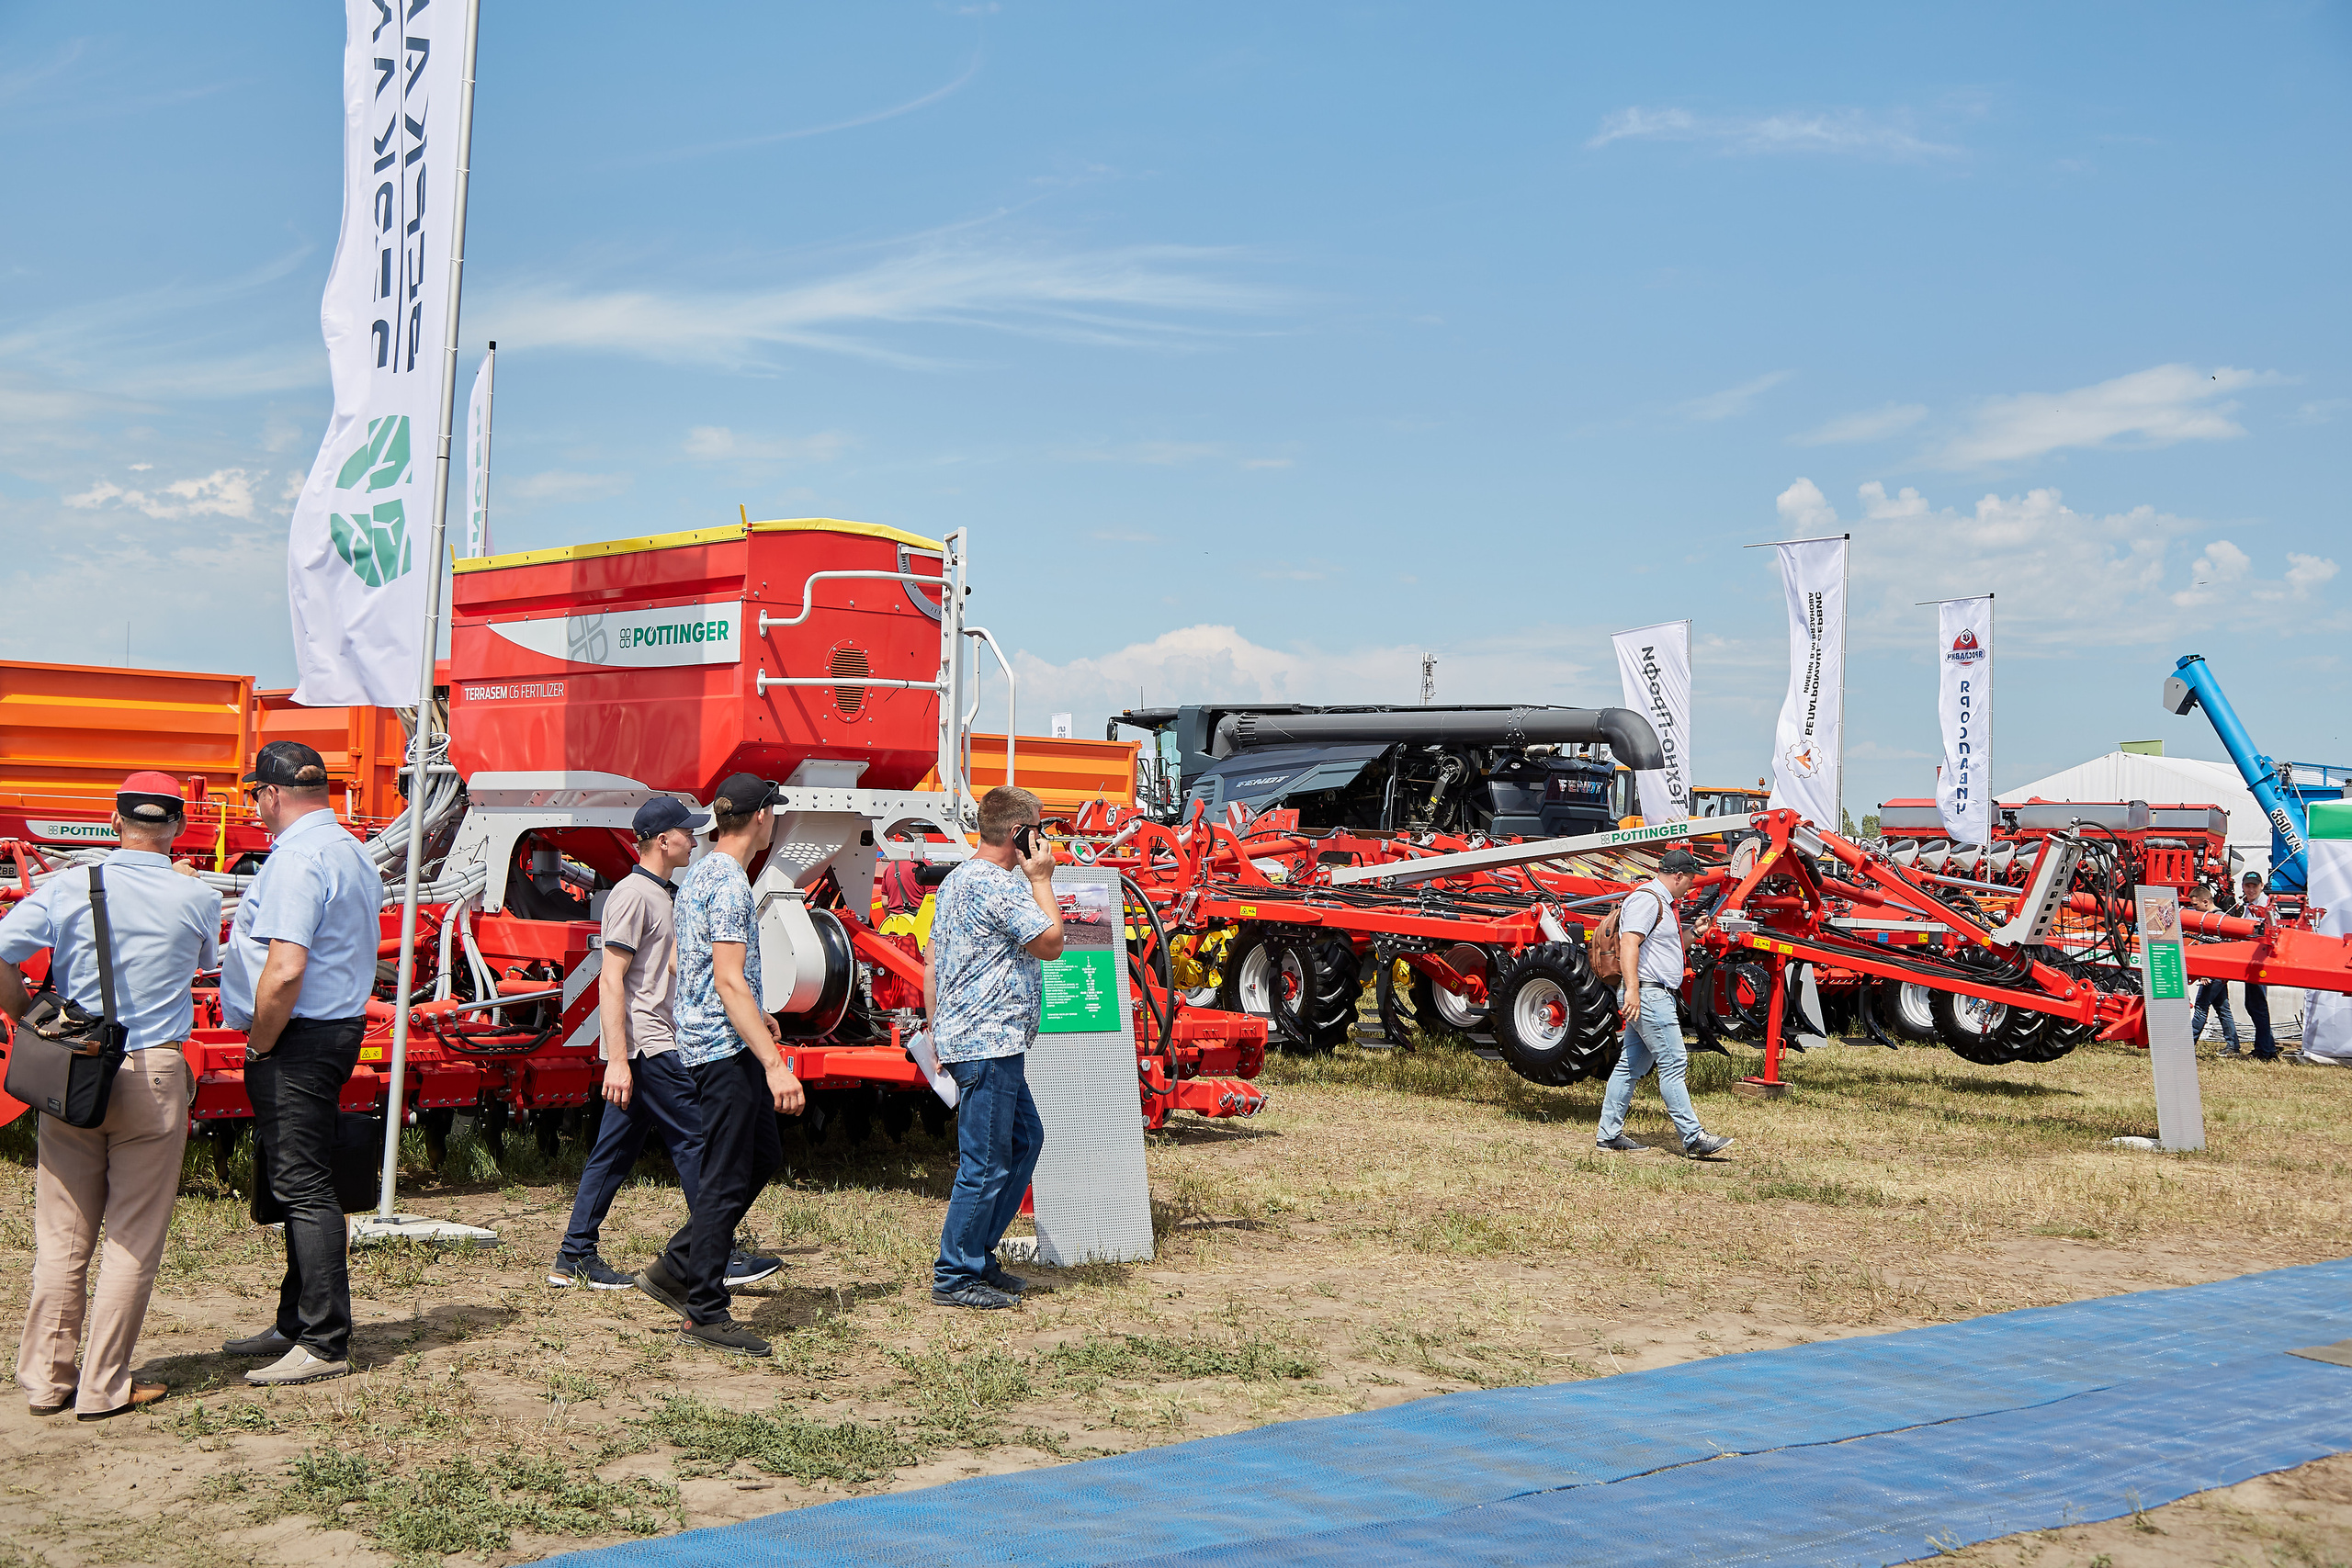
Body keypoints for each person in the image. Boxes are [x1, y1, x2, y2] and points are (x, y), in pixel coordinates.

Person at [0, 774, 220, 1420]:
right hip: (154, 1072)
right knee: (131, 1238)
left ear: (112, 820)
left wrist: (26, 1016)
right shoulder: (196, 897)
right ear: (179, 826)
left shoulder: (70, 884)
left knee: (63, 1235)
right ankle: (103, 1386)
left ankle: (46, 1380)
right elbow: (205, 961)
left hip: (71, 1069)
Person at [550, 796, 779, 1291]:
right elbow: (611, 980)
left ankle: (574, 1254)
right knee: (699, 1141)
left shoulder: (664, 891)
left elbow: (681, 968)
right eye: (685, 832)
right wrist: (616, 1060)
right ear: (662, 840)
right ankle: (716, 1252)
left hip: (650, 1042)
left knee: (613, 1152)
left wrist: (755, 1015)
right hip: (649, 1044)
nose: (695, 838)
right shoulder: (634, 894)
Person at [216, 741, 381, 1387]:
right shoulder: (348, 849)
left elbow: (285, 969)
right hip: (332, 1029)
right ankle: (295, 1319)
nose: (256, 809)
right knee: (303, 1176)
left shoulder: (299, 858)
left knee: (303, 1183)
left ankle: (323, 1338)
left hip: (297, 1037)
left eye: (255, 797)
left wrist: (259, 1041)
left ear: (271, 793)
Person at [633, 774, 806, 1356]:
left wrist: (754, 1015)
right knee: (728, 1173)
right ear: (762, 818)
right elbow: (727, 980)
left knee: (759, 1157)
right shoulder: (730, 883)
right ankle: (705, 1306)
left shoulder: (703, 872)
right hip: (727, 1051)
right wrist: (774, 1061)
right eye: (773, 812)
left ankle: (676, 1266)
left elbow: (689, 966)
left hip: (716, 1039)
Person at [927, 785, 1064, 1311]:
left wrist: (938, 1029)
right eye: (1039, 830)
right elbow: (1051, 943)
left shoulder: (959, 879)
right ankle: (956, 1273)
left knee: (1026, 1140)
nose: (1045, 840)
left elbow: (934, 959)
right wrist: (1042, 879)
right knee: (985, 1163)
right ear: (1020, 835)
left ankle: (978, 1258)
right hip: (989, 1042)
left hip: (980, 1040)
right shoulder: (1000, 886)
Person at [1595, 847, 1731, 1159]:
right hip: (1649, 995)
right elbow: (1629, 942)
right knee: (1674, 1063)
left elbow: (1664, 947)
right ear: (1678, 876)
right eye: (1690, 879)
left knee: (1631, 1064)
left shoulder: (1662, 904)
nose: (1691, 885)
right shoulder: (1647, 900)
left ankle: (1609, 1134)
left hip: (1650, 993)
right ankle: (1694, 1138)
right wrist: (1632, 990)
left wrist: (1693, 934)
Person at [2185, 885, 2243, 1055]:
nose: (2193, 909)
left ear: (2205, 901)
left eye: (2195, 905)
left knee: (2201, 1007)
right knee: (2223, 1009)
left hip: (2213, 972)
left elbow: (2212, 948)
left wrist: (2205, 972)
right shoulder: (2220, 917)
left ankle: (2187, 1045)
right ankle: (2233, 1045)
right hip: (2220, 972)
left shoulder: (2213, 920)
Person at [2236, 871, 2280, 1062]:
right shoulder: (2248, 905)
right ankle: (2266, 1046)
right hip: (2250, 957)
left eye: (2255, 886)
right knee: (2253, 1004)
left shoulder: (2266, 906)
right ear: (2243, 887)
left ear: (2262, 886)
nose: (2251, 889)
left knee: (2257, 1004)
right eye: (2248, 886)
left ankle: (2265, 1050)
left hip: (2260, 958)